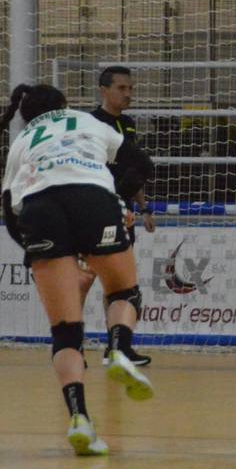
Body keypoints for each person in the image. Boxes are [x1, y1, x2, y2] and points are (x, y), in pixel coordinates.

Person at [0, 82, 156, 455]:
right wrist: (117, 200)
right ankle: (119, 348)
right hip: (91, 195)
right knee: (124, 291)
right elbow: (142, 164)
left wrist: (38, 251)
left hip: (39, 210)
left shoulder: (23, 141)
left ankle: (81, 421)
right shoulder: (86, 121)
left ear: (26, 116)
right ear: (63, 104)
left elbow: (10, 214)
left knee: (65, 331)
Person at [84, 65, 156, 368]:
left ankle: (116, 346)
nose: (128, 94)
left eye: (130, 88)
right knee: (84, 279)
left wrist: (144, 208)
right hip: (95, 210)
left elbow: (133, 170)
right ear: (104, 90)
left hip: (123, 213)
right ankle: (72, 345)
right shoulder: (89, 123)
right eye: (121, 88)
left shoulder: (127, 124)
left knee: (117, 283)